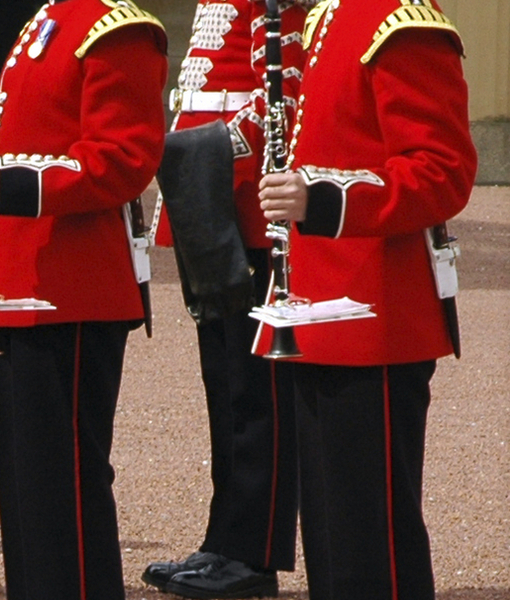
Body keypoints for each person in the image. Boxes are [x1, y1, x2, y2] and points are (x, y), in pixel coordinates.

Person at [253, 0, 473, 597]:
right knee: (331, 540)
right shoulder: (329, 16)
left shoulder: (402, 24)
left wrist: (321, 199)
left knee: (372, 543)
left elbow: (441, 172)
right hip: (319, 306)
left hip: (376, 313)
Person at [0, 1, 165, 599]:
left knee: (62, 485)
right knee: (25, 489)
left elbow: (123, 160)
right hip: (22, 285)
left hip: (76, 287)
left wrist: (12, 182)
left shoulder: (117, 29)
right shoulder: (46, 20)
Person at [140, 0, 309, 596]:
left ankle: (253, 552)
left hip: (245, 200)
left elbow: (285, 87)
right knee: (225, 383)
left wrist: (215, 150)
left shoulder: (275, 15)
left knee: (255, 390)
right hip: (206, 193)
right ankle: (225, 539)